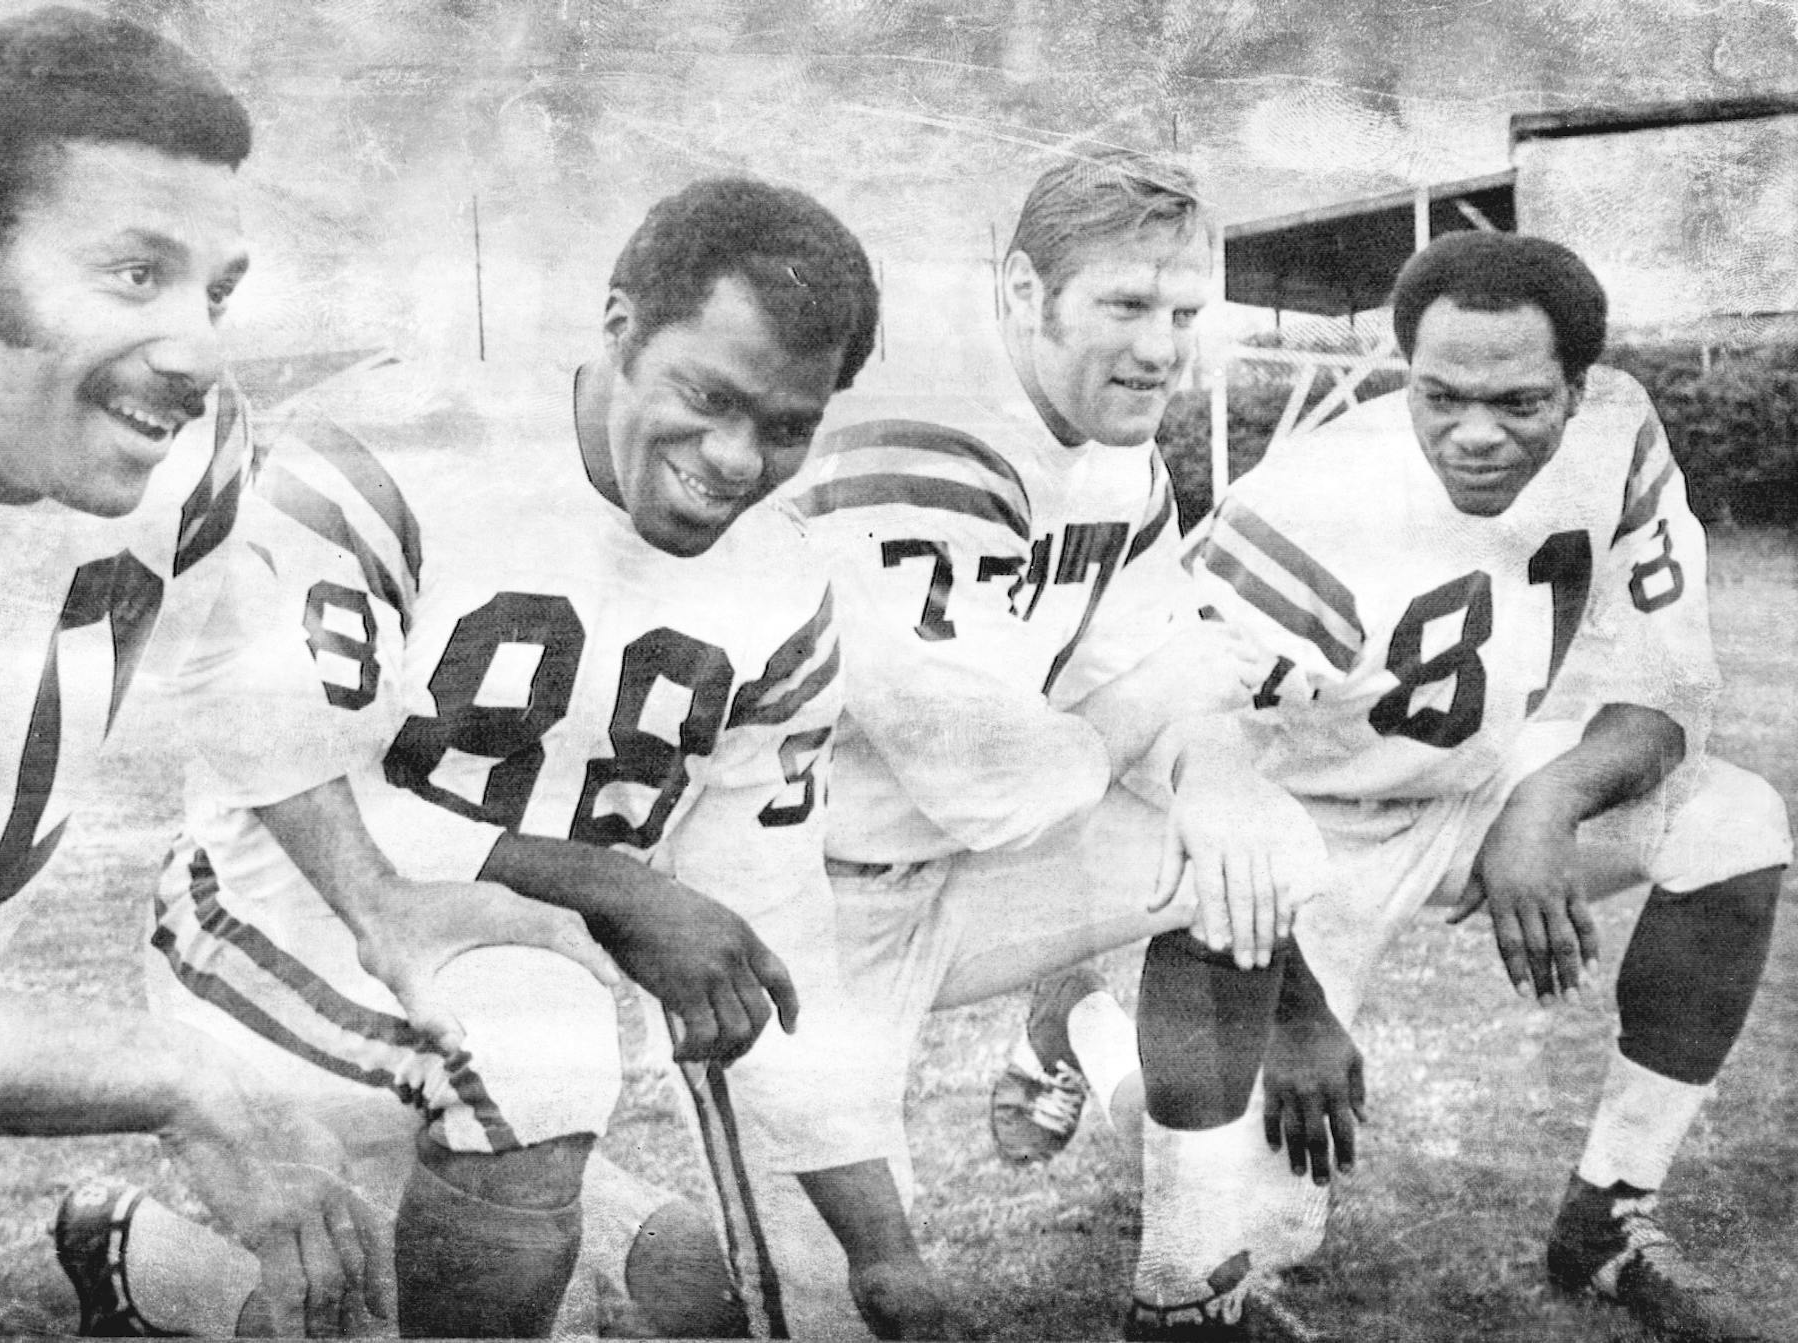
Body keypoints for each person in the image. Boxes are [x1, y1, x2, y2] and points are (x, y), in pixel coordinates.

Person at [0, 9, 610, 1334]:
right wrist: (178, 1075)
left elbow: (239, 672)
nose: (200, 345)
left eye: (215, 290)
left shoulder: (178, 456)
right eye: (135, 272)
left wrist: (376, 896)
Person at [111, 177, 952, 1340]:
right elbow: (301, 774)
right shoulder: (400, 450)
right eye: (710, 396)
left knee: (688, 1288)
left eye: (787, 427)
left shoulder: (785, 586)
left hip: (490, 1004)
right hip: (272, 919)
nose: (734, 456)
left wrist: (887, 1253)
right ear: (619, 328)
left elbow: (767, 921)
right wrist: (609, 878)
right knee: (542, 1050)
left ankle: (136, 1259)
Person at [1130, 230, 1789, 1339]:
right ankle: (1109, 1083)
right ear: (1405, 379)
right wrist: (1296, 1010)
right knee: (1263, 1221)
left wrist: (1551, 799)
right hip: (1293, 826)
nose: (1476, 433)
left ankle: (1610, 1215)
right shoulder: (1315, 497)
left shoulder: (1620, 428)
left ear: (1580, 388)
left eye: (1521, 402)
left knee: (1735, 820)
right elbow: (1171, 756)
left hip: (1477, 782)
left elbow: (1669, 686)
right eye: (1441, 397)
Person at [785, 149, 1349, 1317]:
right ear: (1024, 295)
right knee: (809, 1301)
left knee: (1257, 849)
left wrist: (1220, 773)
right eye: (1127, 304)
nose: (1162, 345)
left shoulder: (1121, 455)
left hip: (960, 876)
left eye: (1186, 311)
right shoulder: (928, 436)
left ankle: (1185, 1285)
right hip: (804, 900)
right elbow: (987, 781)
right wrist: (1183, 688)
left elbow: (1149, 673)